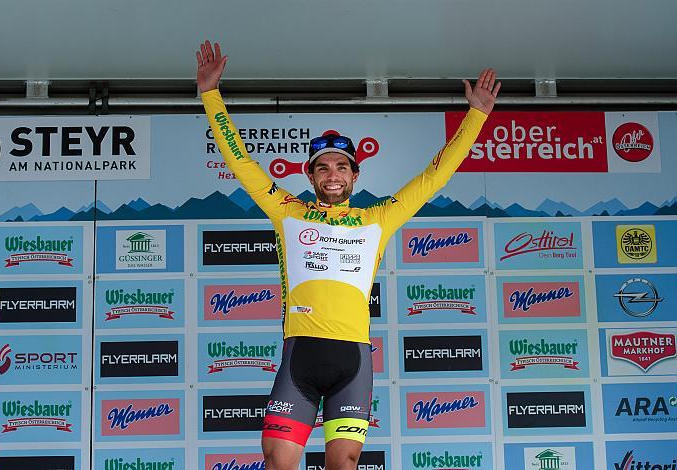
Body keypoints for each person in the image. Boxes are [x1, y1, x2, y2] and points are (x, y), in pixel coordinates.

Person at [196, 40, 500, 470]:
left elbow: (435, 177)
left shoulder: (378, 219)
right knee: (276, 462)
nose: (333, 175)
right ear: (310, 174)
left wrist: (477, 116)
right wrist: (210, 94)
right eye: (323, 167)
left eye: (341, 167)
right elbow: (242, 163)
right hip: (299, 357)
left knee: (346, 464)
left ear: (355, 175)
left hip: (353, 362)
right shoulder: (287, 212)